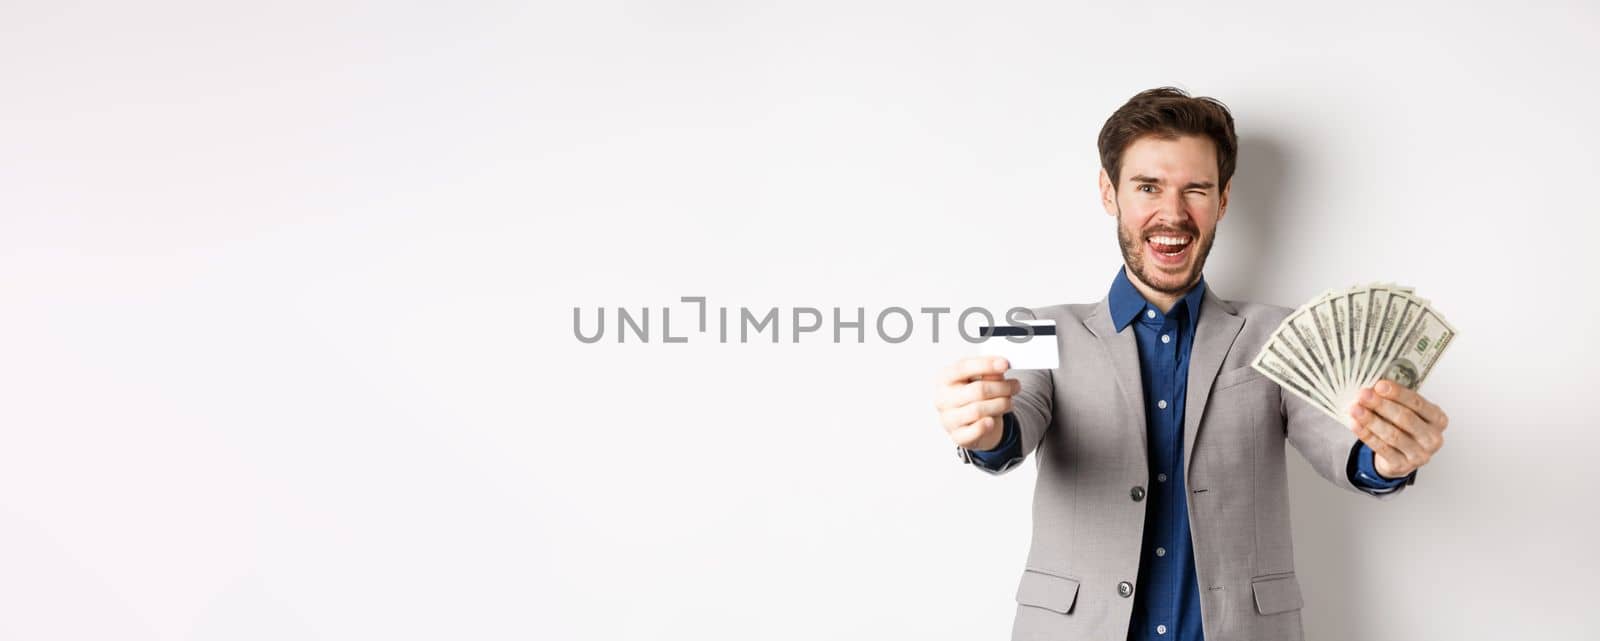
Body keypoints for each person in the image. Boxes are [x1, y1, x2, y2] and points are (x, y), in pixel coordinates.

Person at [932, 87, 1450, 641]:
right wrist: (986, 430)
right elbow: (1012, 424)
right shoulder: (1028, 326)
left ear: (1223, 200)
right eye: (1148, 186)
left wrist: (1387, 455)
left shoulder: (1282, 333)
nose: (1172, 214)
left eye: (1196, 189)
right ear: (1109, 192)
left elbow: (1343, 442)